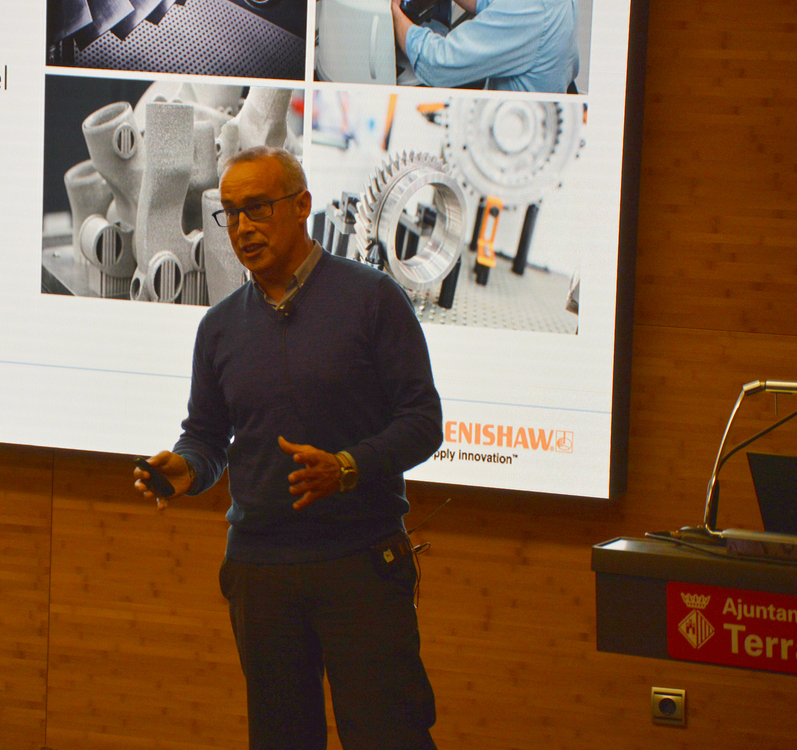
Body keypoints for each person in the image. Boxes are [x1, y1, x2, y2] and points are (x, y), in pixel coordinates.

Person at [134, 146, 443, 750]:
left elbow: (422, 421)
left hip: (359, 563)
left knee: (389, 737)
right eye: (231, 214)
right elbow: (207, 437)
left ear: (302, 205)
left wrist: (348, 468)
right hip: (261, 573)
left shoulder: (373, 299)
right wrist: (186, 468)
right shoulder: (219, 327)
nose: (243, 228)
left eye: (258, 208)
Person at [390, 0, 580, 93]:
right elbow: (491, 3)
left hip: (513, 124)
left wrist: (393, 12)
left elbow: (436, 63)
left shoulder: (531, 7)